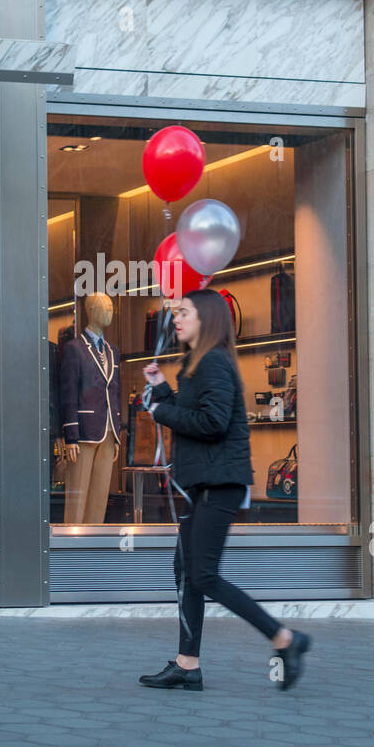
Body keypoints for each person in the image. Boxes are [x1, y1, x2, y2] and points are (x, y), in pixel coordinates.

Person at [137, 288, 311, 692]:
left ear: (208, 319)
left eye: (184, 312)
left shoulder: (214, 362)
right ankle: (187, 665)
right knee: (186, 571)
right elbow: (195, 412)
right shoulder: (197, 363)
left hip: (219, 485)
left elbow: (212, 423)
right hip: (201, 484)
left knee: (202, 575)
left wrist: (161, 411)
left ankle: (284, 638)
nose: (176, 319)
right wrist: (162, 390)